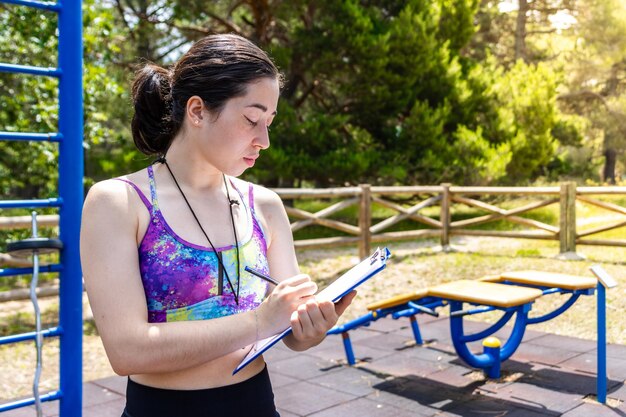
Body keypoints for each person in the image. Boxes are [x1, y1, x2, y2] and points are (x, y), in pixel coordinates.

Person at [80, 34, 356, 417]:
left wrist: (308, 328)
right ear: (196, 111)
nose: (264, 140)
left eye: (269, 123)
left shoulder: (265, 205)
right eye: (251, 119)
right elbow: (127, 351)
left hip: (256, 404)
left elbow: (287, 332)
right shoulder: (118, 201)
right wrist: (260, 320)